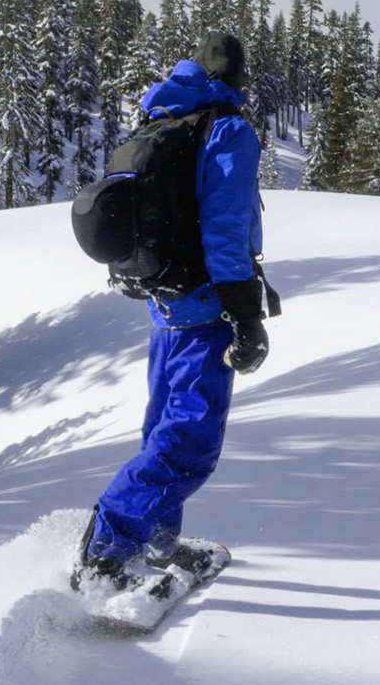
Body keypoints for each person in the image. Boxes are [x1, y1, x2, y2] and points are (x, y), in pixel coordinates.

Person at [73, 31, 271, 592]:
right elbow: (226, 230)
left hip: (164, 306)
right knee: (188, 446)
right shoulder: (227, 129)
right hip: (205, 308)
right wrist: (246, 314)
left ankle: (158, 543)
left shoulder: (160, 121)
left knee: (164, 427)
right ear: (234, 79)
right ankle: (105, 555)